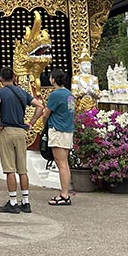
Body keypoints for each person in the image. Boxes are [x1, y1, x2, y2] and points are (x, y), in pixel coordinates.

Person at [0, 67, 45, 213]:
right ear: (14, 77)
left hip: (7, 131)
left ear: (1, 79)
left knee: (9, 169)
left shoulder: (0, 92)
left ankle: (13, 202)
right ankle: (26, 202)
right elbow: (40, 106)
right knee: (22, 169)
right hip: (21, 132)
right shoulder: (22, 92)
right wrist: (31, 122)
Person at [44, 68, 76, 205]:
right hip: (68, 129)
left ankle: (64, 194)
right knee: (65, 163)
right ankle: (65, 192)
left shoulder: (55, 95)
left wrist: (43, 125)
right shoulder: (69, 94)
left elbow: (46, 113)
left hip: (57, 129)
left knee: (61, 163)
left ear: (53, 79)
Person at [71, 48, 100, 114]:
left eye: (88, 65)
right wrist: (84, 92)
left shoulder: (94, 78)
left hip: (92, 105)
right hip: (81, 105)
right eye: (84, 65)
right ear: (80, 66)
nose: (86, 67)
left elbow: (98, 94)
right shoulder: (76, 78)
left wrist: (92, 91)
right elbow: (73, 94)